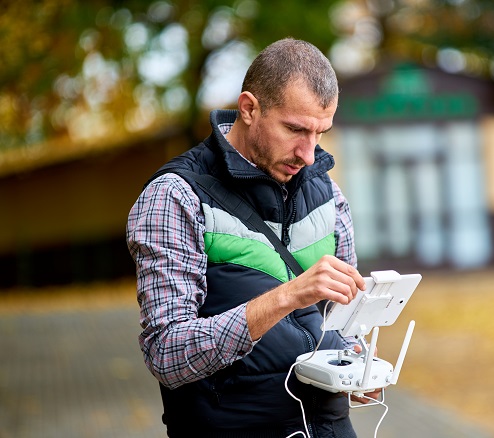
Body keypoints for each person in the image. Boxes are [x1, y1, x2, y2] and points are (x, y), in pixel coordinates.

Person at [126, 38, 380, 438]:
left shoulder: (328, 193)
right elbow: (167, 353)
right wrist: (287, 296)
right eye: (295, 129)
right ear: (249, 109)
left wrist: (359, 365)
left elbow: (344, 326)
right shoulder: (175, 196)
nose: (309, 154)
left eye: (320, 133)